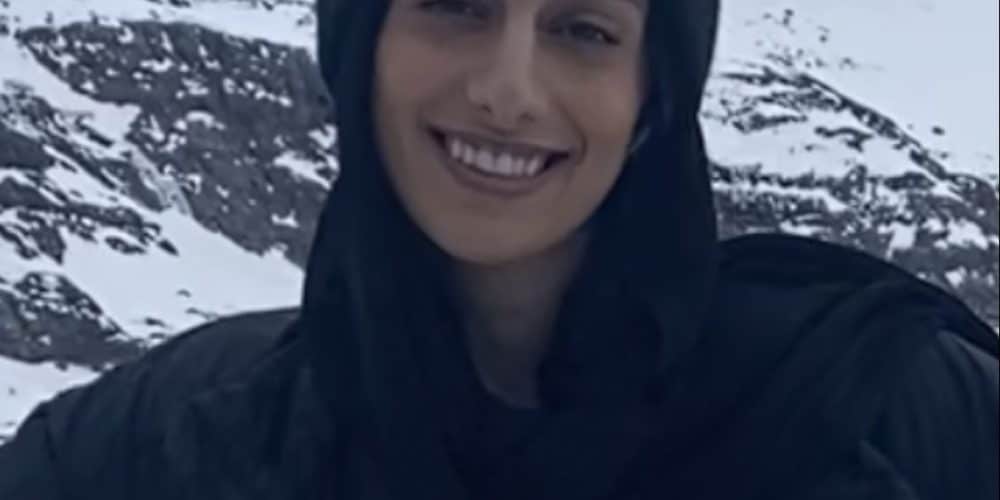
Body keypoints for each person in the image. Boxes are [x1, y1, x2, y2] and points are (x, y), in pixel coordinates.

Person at [1, 0, 997, 498]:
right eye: (456, 2)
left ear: (654, 93)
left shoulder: (869, 406)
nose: (508, 91)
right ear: (362, 43)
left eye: (581, 28)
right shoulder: (174, 442)